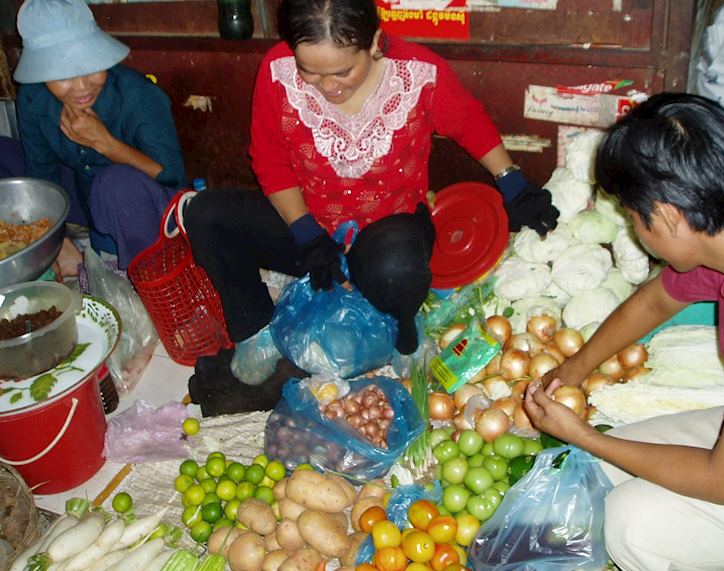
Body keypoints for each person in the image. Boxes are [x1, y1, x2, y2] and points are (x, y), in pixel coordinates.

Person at [185, 0, 559, 385]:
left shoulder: (418, 73)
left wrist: (512, 183)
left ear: (376, 43)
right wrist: (306, 233)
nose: (328, 87)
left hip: (388, 232)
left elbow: (468, 122)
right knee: (205, 214)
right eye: (309, 71)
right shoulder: (277, 71)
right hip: (313, 232)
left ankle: (405, 334)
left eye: (342, 71)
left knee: (396, 269)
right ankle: (258, 332)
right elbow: (269, 160)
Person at [523, 93, 724, 569]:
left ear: (669, 215)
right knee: (606, 469)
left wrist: (582, 433)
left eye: (634, 218)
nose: (634, 231)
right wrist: (572, 369)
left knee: (632, 522)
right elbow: (654, 300)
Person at [0, 0, 186, 276]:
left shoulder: (135, 94)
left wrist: (104, 142)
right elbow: (43, 173)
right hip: (83, 193)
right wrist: (55, 239)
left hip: (143, 205)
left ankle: (150, 272)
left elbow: (169, 175)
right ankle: (65, 250)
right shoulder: (33, 97)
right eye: (62, 74)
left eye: (90, 67)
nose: (82, 86)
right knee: (5, 154)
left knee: (113, 182)